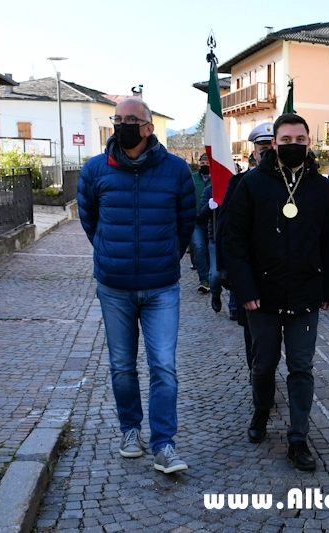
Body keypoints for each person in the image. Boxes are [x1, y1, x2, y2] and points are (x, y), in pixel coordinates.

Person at [77, 98, 195, 474]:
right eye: (118, 118)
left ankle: (164, 444)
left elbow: (185, 222)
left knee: (164, 366)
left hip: (162, 287)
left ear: (148, 127)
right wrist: (109, 253)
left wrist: (167, 255)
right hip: (115, 287)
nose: (123, 124)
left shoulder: (175, 170)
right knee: (122, 366)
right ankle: (130, 430)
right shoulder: (95, 169)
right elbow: (89, 218)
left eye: (131, 119)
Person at [223, 113, 329, 471]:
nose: (293, 145)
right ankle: (261, 410)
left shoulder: (322, 189)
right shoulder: (250, 184)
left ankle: (298, 437)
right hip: (262, 294)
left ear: (309, 143)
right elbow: (233, 240)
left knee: (301, 367)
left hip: (305, 293)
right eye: (286, 140)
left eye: (299, 140)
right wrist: (244, 289)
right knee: (263, 364)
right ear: (273, 144)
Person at [216, 122, 274, 367]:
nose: (269, 153)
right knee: (255, 335)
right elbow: (225, 229)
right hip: (252, 272)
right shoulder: (240, 183)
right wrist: (225, 269)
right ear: (254, 152)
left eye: (273, 147)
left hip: (284, 275)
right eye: (263, 148)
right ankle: (259, 379)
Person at [198, 182, 236, 318]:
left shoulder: (237, 186)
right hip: (215, 238)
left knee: (235, 272)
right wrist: (209, 205)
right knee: (215, 275)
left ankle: (233, 306)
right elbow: (202, 214)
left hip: (233, 238)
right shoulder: (210, 190)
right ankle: (215, 293)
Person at [191, 153, 211, 293]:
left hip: (211, 220)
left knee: (210, 249)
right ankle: (203, 279)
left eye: (207, 163)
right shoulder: (192, 179)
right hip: (196, 220)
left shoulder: (216, 179)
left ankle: (210, 274)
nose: (205, 165)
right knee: (199, 247)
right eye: (202, 163)